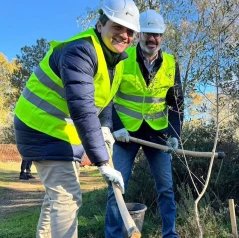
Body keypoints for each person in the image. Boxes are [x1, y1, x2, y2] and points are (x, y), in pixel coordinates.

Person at [13, 0, 140, 237]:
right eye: (118, 27)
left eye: (130, 31)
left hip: (59, 130)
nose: (124, 35)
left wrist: (106, 128)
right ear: (101, 25)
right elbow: (82, 109)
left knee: (57, 197)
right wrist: (102, 161)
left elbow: (105, 100)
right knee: (68, 197)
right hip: (40, 127)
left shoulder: (115, 60)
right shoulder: (80, 51)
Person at [104, 9, 183, 238]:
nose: (153, 39)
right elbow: (106, 98)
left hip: (158, 135)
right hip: (125, 134)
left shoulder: (170, 64)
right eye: (148, 33)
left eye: (157, 35)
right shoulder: (122, 59)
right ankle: (113, 235)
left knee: (166, 189)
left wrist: (174, 135)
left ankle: (170, 234)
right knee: (116, 188)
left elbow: (177, 106)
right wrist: (115, 126)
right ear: (139, 34)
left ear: (162, 37)